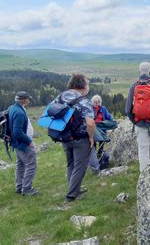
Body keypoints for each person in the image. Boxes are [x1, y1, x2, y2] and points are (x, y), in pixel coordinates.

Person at [51, 74, 95, 203]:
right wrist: (91, 137)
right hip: (80, 138)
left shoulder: (61, 96)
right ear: (82, 85)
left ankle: (73, 188)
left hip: (64, 136)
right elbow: (90, 123)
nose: (88, 87)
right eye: (87, 84)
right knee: (80, 166)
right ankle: (71, 196)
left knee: (70, 164)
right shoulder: (83, 100)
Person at [8, 91, 38, 196]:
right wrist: (29, 141)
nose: (29, 100)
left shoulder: (12, 108)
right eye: (28, 99)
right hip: (22, 144)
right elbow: (17, 131)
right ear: (24, 100)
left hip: (16, 143)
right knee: (31, 165)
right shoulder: (19, 112)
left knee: (20, 165)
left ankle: (19, 186)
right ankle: (26, 189)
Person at [89, 95, 115, 173]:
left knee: (102, 140)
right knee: (92, 142)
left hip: (102, 128)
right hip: (93, 128)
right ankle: (93, 154)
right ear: (92, 102)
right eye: (94, 102)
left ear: (100, 102)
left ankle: (99, 153)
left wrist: (113, 121)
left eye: (98, 102)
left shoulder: (103, 109)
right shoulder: (89, 109)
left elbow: (108, 116)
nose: (96, 103)